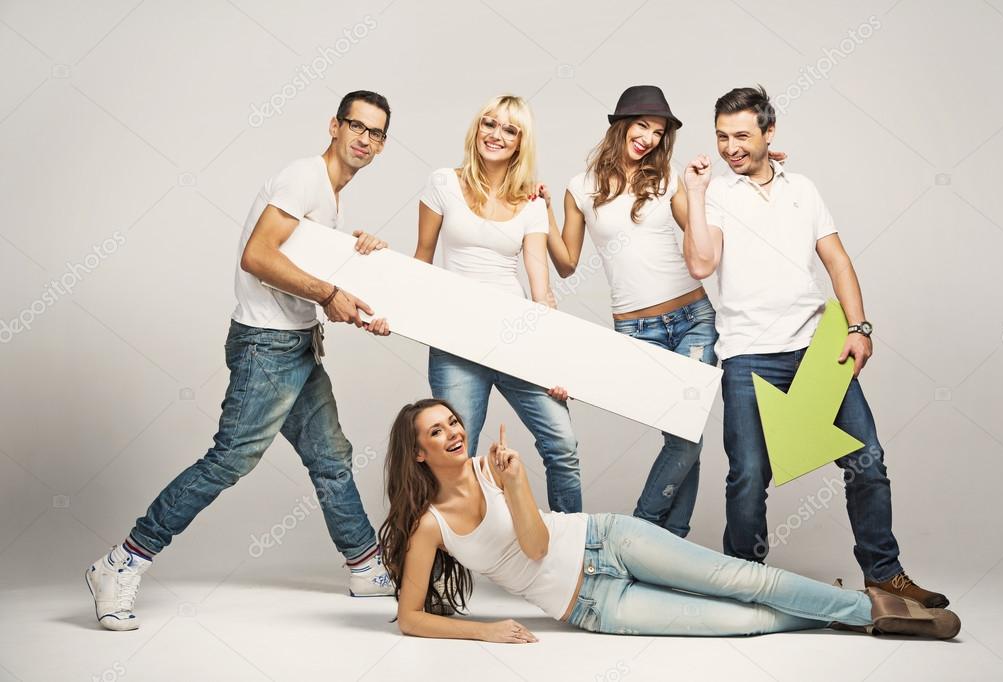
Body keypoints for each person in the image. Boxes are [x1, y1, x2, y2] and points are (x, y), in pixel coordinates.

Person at [86, 90, 396, 631]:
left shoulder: (327, 192)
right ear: (334, 126)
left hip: (297, 342)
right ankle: (121, 562)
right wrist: (328, 295)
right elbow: (257, 256)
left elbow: (299, 253)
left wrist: (357, 248)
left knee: (329, 457)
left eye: (375, 133)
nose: (364, 139)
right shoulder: (303, 177)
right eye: (356, 126)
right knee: (229, 460)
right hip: (267, 347)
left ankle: (366, 565)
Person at [378, 399, 960, 641]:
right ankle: (822, 602)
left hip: (608, 539)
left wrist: (518, 483)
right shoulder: (432, 525)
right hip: (590, 605)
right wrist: (489, 630)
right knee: (744, 622)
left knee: (745, 580)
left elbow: (534, 542)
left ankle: (873, 612)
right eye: (437, 431)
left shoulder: (493, 468)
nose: (454, 432)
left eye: (453, 422)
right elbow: (409, 617)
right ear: (419, 454)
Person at [682, 85, 949, 608]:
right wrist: (693, 192)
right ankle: (741, 580)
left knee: (866, 460)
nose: (730, 147)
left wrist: (859, 327)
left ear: (769, 131)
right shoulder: (714, 194)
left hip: (814, 349)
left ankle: (884, 575)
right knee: (749, 476)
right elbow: (700, 264)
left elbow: (838, 261)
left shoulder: (803, 187)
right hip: (748, 355)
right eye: (721, 137)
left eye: (741, 135)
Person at [543, 85, 718, 538]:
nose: (650, 138)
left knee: (687, 434)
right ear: (621, 124)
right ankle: (665, 546)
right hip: (636, 330)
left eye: (659, 132)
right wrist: (542, 211)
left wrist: (711, 189)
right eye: (643, 126)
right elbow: (566, 264)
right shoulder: (579, 189)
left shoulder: (668, 177)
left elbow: (699, 235)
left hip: (693, 319)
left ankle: (644, 534)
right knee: (683, 439)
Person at [415, 94, 581, 513]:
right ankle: (445, 563)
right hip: (457, 343)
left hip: (517, 341)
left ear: (521, 143)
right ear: (477, 128)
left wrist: (554, 359)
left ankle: (573, 553)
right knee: (454, 458)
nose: (497, 134)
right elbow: (421, 262)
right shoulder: (443, 183)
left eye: (510, 129)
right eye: (490, 123)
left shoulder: (530, 203)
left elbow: (541, 291)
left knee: (562, 444)